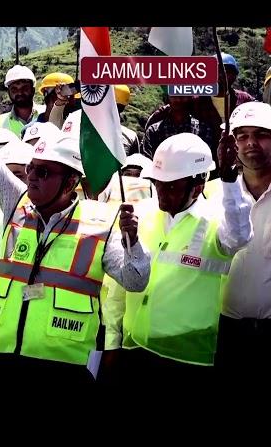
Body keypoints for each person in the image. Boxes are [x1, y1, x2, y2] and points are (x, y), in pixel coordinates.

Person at [0, 69, 150, 392]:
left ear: (71, 183)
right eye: (32, 168)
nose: (32, 177)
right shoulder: (16, 204)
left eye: (44, 172)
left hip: (65, 372)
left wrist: (134, 244)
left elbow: (136, 279)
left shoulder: (100, 223)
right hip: (8, 364)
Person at [102, 132, 252, 393]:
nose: (161, 191)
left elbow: (239, 236)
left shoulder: (217, 219)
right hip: (134, 349)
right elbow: (116, 290)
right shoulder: (140, 214)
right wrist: (112, 342)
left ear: (197, 186)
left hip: (187, 360)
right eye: (158, 183)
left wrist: (229, 180)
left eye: (170, 185)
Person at [214, 102, 271, 390]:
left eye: (261, 134)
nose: (251, 143)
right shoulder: (214, 195)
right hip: (222, 332)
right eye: (242, 136)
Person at [0, 65, 43, 137]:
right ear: (9, 92)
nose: (20, 93)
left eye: (25, 88)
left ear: (33, 90)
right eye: (14, 89)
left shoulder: (46, 113)